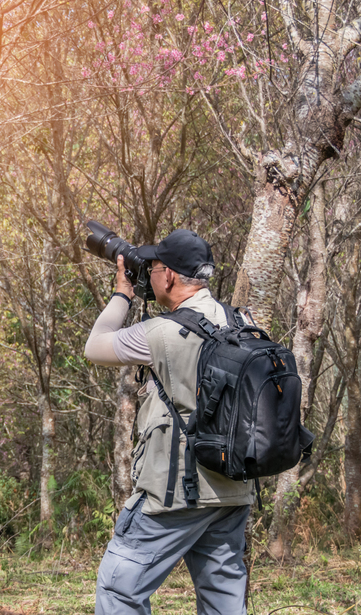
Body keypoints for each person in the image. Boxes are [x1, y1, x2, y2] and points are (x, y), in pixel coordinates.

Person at [84, 229, 255, 615]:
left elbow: (94, 345)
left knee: (119, 590)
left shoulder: (161, 332)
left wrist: (122, 294)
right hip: (232, 488)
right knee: (223, 601)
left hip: (176, 492)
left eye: (154, 266)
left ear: (170, 276)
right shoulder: (242, 320)